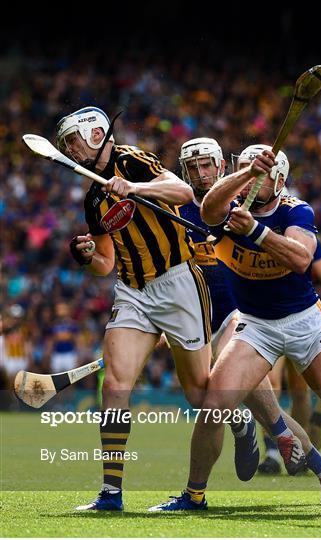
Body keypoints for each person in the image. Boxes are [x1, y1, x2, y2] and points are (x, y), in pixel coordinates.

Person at [149, 144, 321, 513]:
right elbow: (209, 209)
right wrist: (248, 175)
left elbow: (301, 259)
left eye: (260, 174)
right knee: (214, 407)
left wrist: (256, 231)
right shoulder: (231, 208)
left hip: (306, 322)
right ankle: (193, 495)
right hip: (255, 325)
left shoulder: (296, 210)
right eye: (246, 172)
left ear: (279, 180)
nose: (252, 181)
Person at [56, 106, 212, 511]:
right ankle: (111, 493)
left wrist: (134, 188)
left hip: (178, 280)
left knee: (200, 392)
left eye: (73, 141)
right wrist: (86, 255)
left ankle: (243, 422)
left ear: (94, 134)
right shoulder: (92, 196)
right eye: (66, 147)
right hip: (132, 291)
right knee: (114, 385)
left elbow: (183, 193)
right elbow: (105, 263)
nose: (71, 151)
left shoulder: (132, 160)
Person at [177, 138, 321, 488]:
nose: (200, 173)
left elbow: (309, 263)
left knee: (254, 400)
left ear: (223, 167)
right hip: (196, 316)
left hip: (241, 314)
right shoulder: (176, 204)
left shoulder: (242, 207)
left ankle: (208, 481)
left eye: (207, 165)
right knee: (211, 401)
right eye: (193, 167)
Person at [258, 240, 321, 474]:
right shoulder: (257, 235)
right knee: (272, 386)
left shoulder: (303, 239)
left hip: (302, 322)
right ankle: (273, 453)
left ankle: (300, 451)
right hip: (267, 321)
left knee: (300, 394)